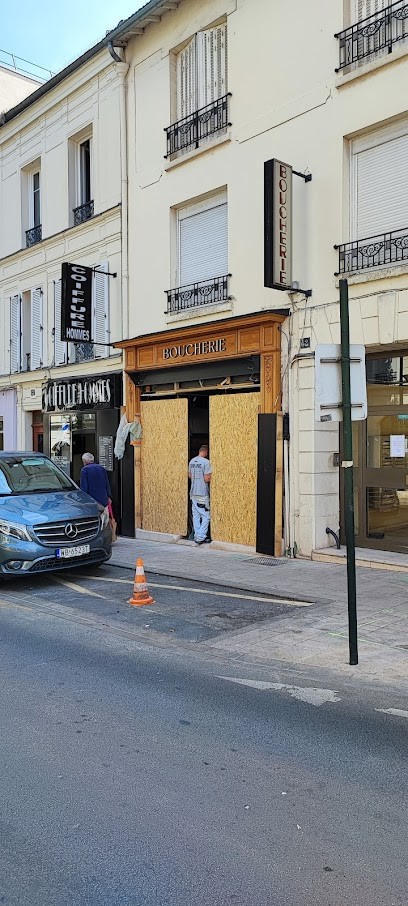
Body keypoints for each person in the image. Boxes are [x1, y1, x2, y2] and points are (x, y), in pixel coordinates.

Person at [188, 444, 212, 545]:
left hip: (193, 492)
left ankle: (197, 535)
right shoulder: (206, 462)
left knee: (196, 515)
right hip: (202, 492)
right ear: (206, 452)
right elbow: (207, 479)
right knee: (206, 515)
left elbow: (189, 476)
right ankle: (201, 536)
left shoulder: (192, 461)